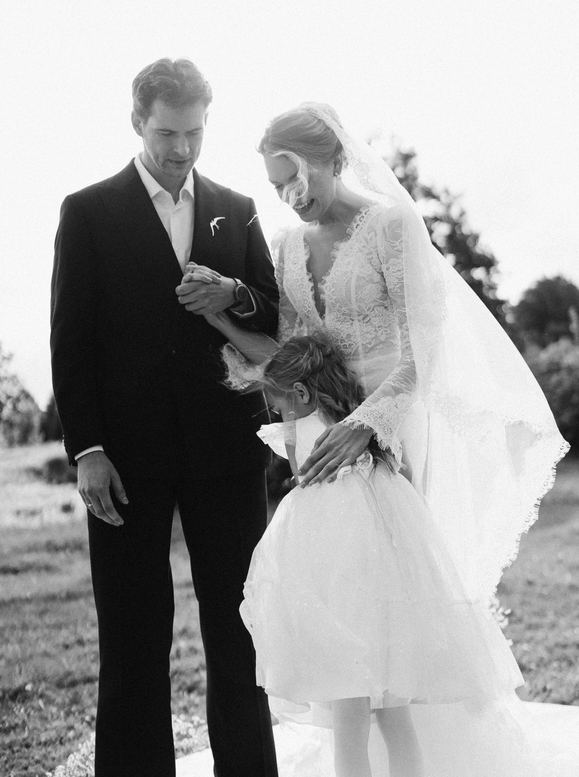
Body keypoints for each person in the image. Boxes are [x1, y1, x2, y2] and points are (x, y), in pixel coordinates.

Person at [199, 102, 574, 776]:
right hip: (325, 446)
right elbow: (293, 353)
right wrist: (225, 316)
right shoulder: (287, 244)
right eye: (277, 187)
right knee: (351, 633)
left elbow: (421, 349)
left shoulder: (391, 226)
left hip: (391, 436)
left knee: (388, 628)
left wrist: (367, 425)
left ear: (332, 160)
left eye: (295, 179)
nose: (289, 198)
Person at [50, 58, 279, 777]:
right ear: (137, 123)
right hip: (125, 457)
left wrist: (233, 293)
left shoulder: (238, 207)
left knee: (241, 631)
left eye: (194, 133)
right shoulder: (87, 211)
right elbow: (70, 340)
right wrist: (87, 448)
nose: (181, 149)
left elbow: (274, 313)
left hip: (227, 451)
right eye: (166, 133)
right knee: (132, 639)